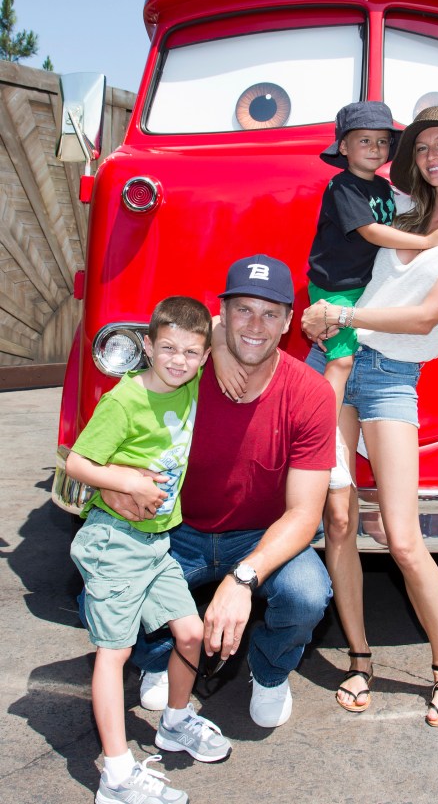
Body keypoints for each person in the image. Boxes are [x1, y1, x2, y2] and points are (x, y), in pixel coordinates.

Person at [301, 104, 438, 727]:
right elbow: (343, 258)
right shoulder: (401, 211)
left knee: (403, 536)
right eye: (420, 147)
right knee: (338, 519)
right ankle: (359, 658)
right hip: (335, 359)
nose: (430, 155)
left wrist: (341, 316)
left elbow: (424, 317)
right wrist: (322, 316)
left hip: (390, 378)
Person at [99, 255, 336, 733]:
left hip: (258, 536)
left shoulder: (311, 393)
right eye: (243, 309)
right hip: (174, 527)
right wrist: (118, 481)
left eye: (270, 313)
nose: (255, 325)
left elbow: (304, 514)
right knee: (108, 576)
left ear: (289, 322)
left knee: (307, 593)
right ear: (222, 314)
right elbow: (115, 433)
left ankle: (270, 672)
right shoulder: (183, 368)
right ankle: (157, 657)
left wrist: (243, 578)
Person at [218, 102, 438, 494]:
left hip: (363, 288)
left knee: (341, 359)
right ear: (344, 147)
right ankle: (326, 446)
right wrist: (427, 242)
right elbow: (371, 231)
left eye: (382, 141)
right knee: (340, 361)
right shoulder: (343, 187)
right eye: (364, 141)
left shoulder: (382, 188)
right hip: (336, 288)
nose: (375, 148)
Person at [68, 296, 231, 804]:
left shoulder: (191, 384)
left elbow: (219, 326)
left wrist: (213, 328)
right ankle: (116, 776)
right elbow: (77, 463)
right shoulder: (125, 400)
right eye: (167, 349)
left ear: (204, 357)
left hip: (157, 543)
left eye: (190, 352)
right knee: (114, 654)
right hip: (115, 541)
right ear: (146, 346)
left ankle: (176, 723)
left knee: (191, 633)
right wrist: (130, 483)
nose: (178, 361)